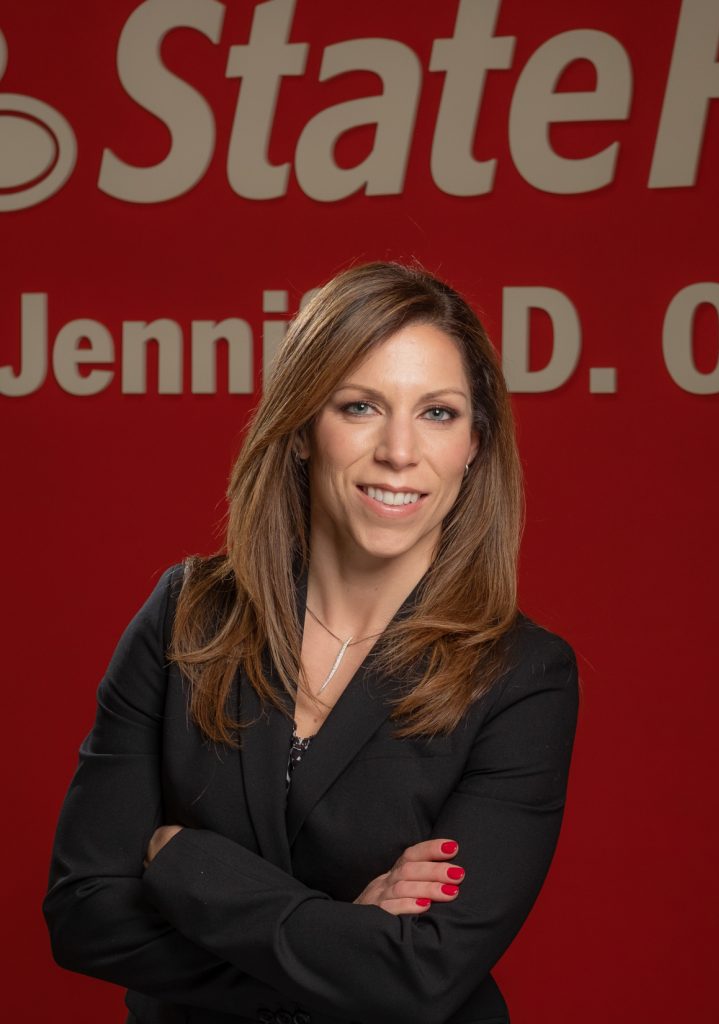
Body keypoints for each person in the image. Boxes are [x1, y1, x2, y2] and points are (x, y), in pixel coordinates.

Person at [44, 262, 579, 1024]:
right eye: (360, 406)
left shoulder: (523, 675)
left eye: (438, 413)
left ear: (474, 446)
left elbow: (421, 977)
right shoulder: (186, 616)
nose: (400, 450)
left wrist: (187, 863)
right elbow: (84, 911)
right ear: (300, 429)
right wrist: (340, 950)